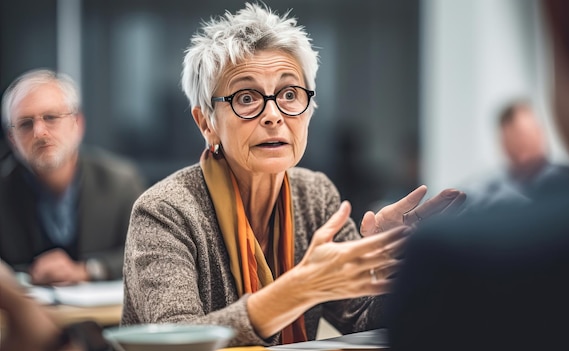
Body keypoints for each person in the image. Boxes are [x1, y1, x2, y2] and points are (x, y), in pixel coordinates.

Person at [121, 3, 465, 347]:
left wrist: (394, 272)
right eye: (246, 97)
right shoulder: (164, 211)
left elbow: (362, 321)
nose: (273, 115)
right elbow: (177, 343)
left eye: (289, 94)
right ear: (206, 123)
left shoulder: (315, 195)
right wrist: (299, 289)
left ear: (309, 111)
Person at [388, 0, 569, 349]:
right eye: (520, 135)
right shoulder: (476, 195)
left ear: (563, 20)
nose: (532, 143)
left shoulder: (458, 256)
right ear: (504, 139)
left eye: (535, 132)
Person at [0, 69, 147, 286]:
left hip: (105, 317)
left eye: (50, 117)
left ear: (78, 123)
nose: (39, 132)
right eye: (25, 124)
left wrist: (87, 270)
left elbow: (149, 253)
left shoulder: (120, 182)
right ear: (12, 139)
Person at [462, 100, 569, 211]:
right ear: (502, 142)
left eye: (524, 135)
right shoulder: (486, 190)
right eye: (511, 138)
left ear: (540, 133)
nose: (520, 143)